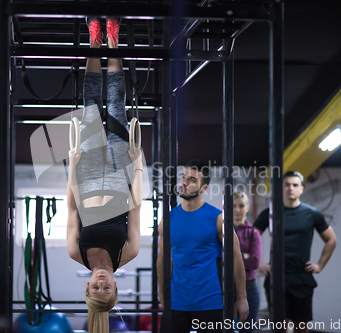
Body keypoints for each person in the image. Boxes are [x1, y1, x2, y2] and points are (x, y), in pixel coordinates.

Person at [66, 17, 143, 333]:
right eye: (106, 289)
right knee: (115, 103)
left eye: (95, 290)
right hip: (116, 170)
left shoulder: (76, 252)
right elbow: (137, 207)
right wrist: (138, 164)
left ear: (86, 289)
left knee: (91, 105)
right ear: (114, 287)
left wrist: (71, 165)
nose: (100, 285)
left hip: (85, 172)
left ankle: (94, 39)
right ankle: (113, 38)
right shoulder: (128, 252)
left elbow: (71, 209)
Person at [157, 160, 249, 333]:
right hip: (177, 301)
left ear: (204, 188)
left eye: (192, 180)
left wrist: (242, 297)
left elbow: (236, 257)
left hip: (209, 302)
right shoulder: (168, 220)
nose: (184, 182)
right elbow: (163, 259)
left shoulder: (218, 218)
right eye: (183, 177)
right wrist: (162, 293)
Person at [254, 171, 337, 333]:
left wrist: (319, 265)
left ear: (302, 189)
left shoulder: (312, 214)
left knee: (301, 327)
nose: (290, 188)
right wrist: (259, 263)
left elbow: (331, 240)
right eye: (287, 185)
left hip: (301, 278)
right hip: (276, 277)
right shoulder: (270, 213)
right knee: (279, 327)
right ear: (281, 188)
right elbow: (248, 240)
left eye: (295, 185)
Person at [233, 192, 261, 333]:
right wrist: (244, 256)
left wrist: (234, 258)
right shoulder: (221, 231)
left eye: (241, 206)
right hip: (226, 287)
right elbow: (219, 259)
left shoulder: (253, 233)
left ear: (247, 208)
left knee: (247, 330)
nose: (237, 209)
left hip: (249, 288)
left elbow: (255, 262)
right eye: (233, 206)